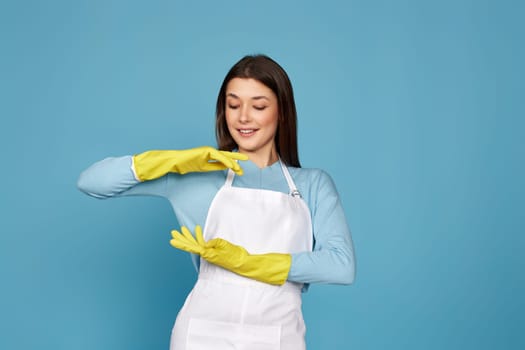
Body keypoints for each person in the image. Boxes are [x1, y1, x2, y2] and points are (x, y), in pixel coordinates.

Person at [77, 54, 356, 350]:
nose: (243, 117)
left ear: (282, 112)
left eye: (258, 106)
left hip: (278, 336)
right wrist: (175, 160)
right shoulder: (198, 177)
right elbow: (91, 183)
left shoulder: (311, 185)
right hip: (200, 335)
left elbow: (341, 265)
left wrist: (247, 262)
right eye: (233, 105)